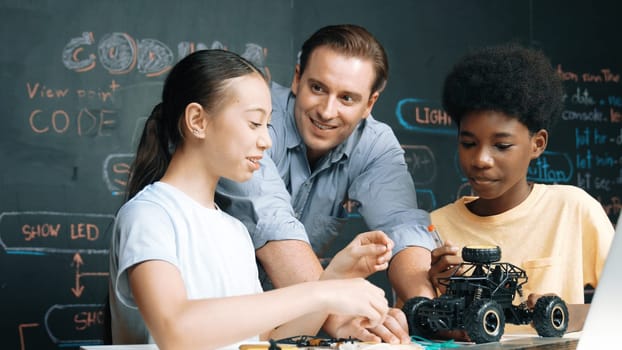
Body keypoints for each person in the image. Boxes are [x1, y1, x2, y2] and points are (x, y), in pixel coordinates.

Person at [108, 49, 397, 349]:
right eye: (254, 123)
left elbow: (261, 340)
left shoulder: (235, 232)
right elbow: (175, 329)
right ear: (197, 120)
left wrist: (334, 276)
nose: (266, 141)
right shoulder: (149, 215)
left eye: (268, 125)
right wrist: (320, 294)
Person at [217, 24, 436, 343]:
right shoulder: (256, 118)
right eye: (317, 88)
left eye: (347, 98)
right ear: (296, 78)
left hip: (291, 326)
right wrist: (342, 317)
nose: (326, 111)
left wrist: (426, 310)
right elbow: (273, 222)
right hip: (215, 320)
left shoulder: (375, 143)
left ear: (370, 103)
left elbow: (402, 225)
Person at [429, 43, 615, 334]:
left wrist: (561, 315)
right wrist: (434, 291)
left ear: (537, 144)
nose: (480, 160)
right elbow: (409, 330)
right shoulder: (434, 227)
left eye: (502, 146)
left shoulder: (573, 209)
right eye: (468, 143)